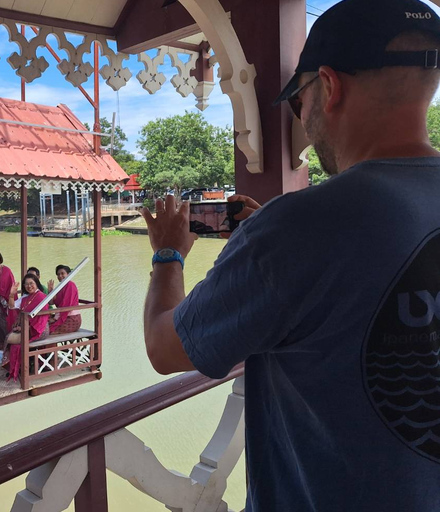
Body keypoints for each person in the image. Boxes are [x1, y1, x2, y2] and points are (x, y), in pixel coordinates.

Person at [142, 1, 440, 510]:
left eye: (298, 100)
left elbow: (166, 348)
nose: (301, 116)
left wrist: (168, 252)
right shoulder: (292, 230)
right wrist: (266, 241)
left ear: (328, 86)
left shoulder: (301, 226)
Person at [3, 273, 49, 381]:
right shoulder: (26, 298)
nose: (29, 286)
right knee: (10, 339)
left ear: (36, 283)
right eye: (26, 284)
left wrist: (26, 328)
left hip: (39, 329)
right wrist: (11, 295)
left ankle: (18, 369)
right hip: (26, 328)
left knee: (15, 344)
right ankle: (15, 368)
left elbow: (41, 319)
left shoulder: (42, 297)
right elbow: (11, 306)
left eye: (31, 283)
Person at [47, 265, 81, 334]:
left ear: (68, 274)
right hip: (62, 316)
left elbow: (66, 305)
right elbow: (51, 303)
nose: (60, 276)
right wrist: (50, 292)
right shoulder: (60, 287)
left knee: (47, 330)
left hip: (71, 319)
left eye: (62, 273)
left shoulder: (70, 285)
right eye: (58, 274)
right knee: (43, 325)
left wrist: (55, 318)